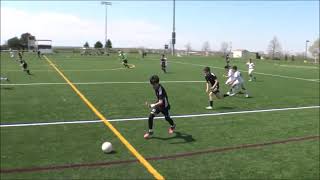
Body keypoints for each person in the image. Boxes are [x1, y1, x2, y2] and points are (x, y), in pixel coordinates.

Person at [144, 75, 176, 139]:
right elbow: (159, 100)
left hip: (164, 106)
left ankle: (173, 125)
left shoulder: (160, 90)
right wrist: (155, 104)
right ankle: (150, 131)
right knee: (151, 116)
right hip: (159, 105)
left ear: (158, 83)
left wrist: (152, 105)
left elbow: (161, 102)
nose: (153, 86)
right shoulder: (156, 87)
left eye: (154, 84)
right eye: (152, 84)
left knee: (167, 118)